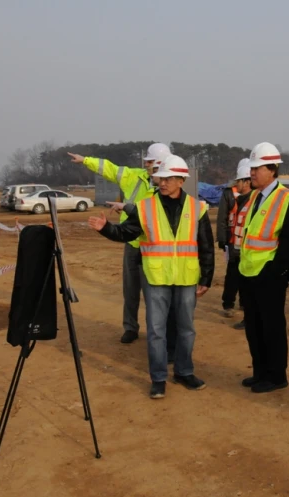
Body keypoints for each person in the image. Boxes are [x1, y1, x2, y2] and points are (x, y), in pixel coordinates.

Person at [88, 155, 215, 399]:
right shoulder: (146, 207)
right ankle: (158, 378)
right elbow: (127, 233)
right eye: (160, 178)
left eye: (168, 178)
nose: (162, 182)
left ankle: (184, 372)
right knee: (156, 330)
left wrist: (206, 277)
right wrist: (106, 229)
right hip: (156, 278)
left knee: (186, 329)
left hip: (187, 278)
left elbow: (206, 246)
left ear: (181, 180)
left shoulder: (197, 208)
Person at [69, 143, 169, 344]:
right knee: (130, 290)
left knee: (154, 295)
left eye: (149, 162)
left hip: (154, 247)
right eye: (147, 162)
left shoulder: (167, 187)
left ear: (160, 164)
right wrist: (86, 160)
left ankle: (156, 332)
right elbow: (110, 168)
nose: (146, 165)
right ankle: (130, 327)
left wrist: (127, 207)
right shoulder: (133, 176)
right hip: (132, 241)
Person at [236, 143, 289, 393]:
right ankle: (260, 371)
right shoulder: (254, 196)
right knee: (253, 327)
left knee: (271, 327)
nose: (251, 173)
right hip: (248, 272)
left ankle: (276, 376)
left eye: (257, 168)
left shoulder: (286, 199)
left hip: (269, 276)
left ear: (272, 170)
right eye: (251, 168)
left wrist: (274, 271)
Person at [216, 159, 252, 322]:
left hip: (249, 243)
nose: (237, 182)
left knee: (247, 273)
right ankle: (228, 303)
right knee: (232, 273)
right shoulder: (229, 193)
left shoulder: (256, 196)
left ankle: (245, 302)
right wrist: (222, 239)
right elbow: (222, 217)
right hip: (232, 240)